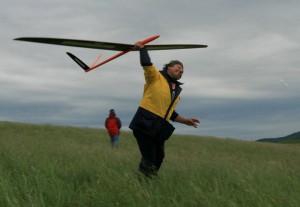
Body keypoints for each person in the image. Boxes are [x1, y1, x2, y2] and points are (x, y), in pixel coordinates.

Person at [129, 42, 200, 177]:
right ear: (168, 67)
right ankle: (143, 183)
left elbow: (169, 113)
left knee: (159, 158)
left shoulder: (175, 90)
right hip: (145, 123)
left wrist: (186, 121)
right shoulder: (155, 77)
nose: (181, 71)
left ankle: (148, 180)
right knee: (149, 158)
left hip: (159, 128)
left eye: (182, 71)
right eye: (178, 68)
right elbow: (146, 64)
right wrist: (142, 49)